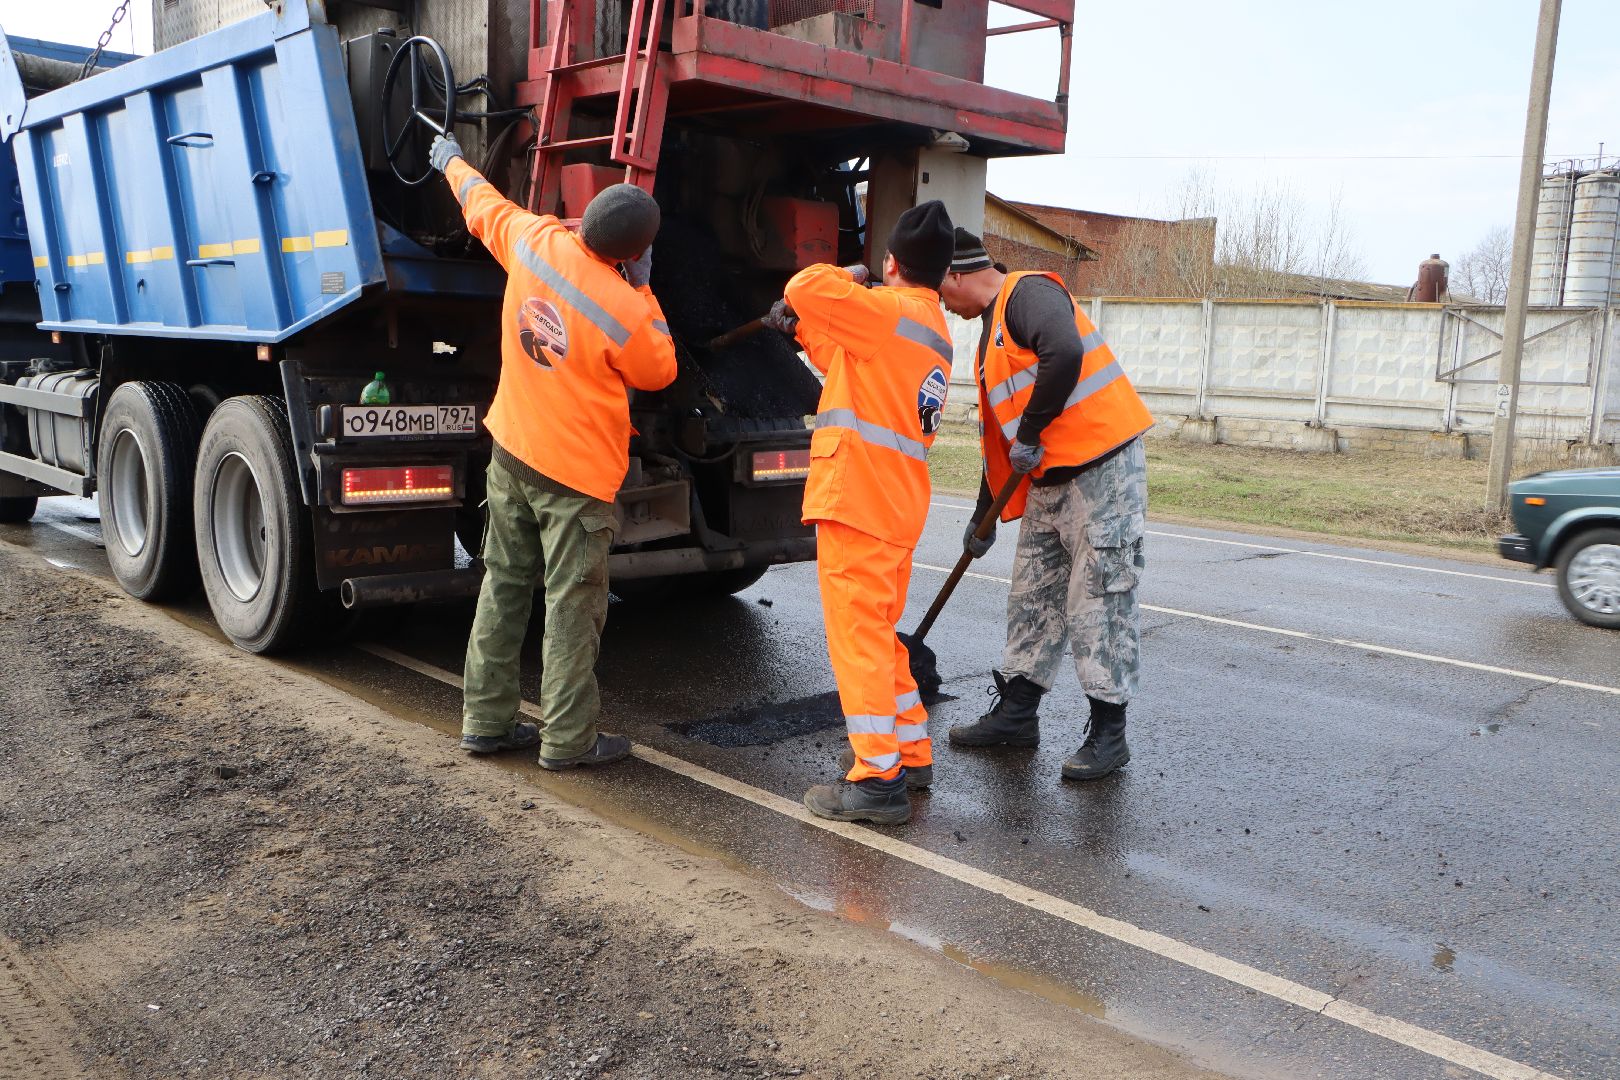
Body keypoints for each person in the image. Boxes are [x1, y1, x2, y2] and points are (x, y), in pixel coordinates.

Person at [428, 133, 677, 769]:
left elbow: (480, 202)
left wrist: (451, 159)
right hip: (576, 478)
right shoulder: (625, 307)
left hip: (511, 451)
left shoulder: (533, 241)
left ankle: (484, 722)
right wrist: (644, 290)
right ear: (636, 252)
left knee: (503, 585)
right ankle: (568, 741)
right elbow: (660, 370)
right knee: (572, 605)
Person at [764, 201, 956, 825]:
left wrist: (850, 274)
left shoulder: (886, 309)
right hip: (896, 504)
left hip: (859, 500)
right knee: (880, 638)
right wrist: (797, 334)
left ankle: (876, 780)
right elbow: (853, 361)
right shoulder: (927, 327)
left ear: (892, 262)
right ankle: (909, 753)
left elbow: (804, 284)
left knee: (859, 646)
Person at [939, 229, 1153, 781]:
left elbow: (1066, 351)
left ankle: (1110, 735)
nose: (941, 302)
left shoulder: (1028, 294)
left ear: (959, 274)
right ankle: (1017, 713)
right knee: (1031, 596)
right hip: (1044, 481)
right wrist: (981, 517)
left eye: (942, 289)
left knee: (1099, 601)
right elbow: (1000, 439)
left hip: (1102, 471)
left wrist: (1032, 431)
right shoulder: (988, 339)